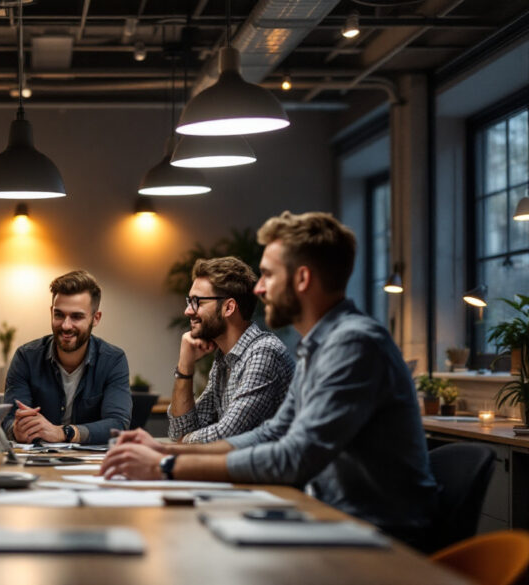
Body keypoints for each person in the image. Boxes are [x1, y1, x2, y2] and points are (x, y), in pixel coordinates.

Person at [102, 211, 438, 547]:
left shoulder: (353, 343)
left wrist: (166, 465)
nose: (259, 289)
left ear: (302, 278)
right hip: (334, 518)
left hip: (381, 535)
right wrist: (164, 449)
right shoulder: (318, 344)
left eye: (267, 275)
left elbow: (293, 456)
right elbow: (273, 432)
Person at [168, 257, 293, 443]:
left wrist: (184, 441)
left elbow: (228, 436)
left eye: (197, 302)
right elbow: (180, 430)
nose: (188, 311)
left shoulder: (264, 353)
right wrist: (185, 366)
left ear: (228, 307)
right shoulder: (224, 359)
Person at [2, 270, 131, 445]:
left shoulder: (112, 360)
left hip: (89, 466)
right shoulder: (26, 357)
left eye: (76, 316)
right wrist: (16, 430)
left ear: (96, 318)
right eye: (59, 314)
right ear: (51, 312)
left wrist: (65, 433)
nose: (66, 325)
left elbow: (118, 425)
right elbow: (8, 420)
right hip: (36, 462)